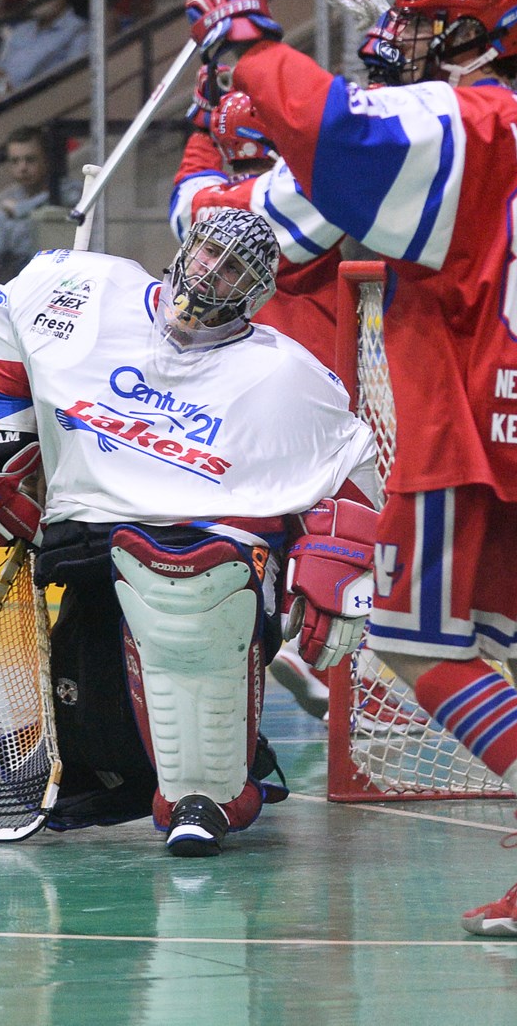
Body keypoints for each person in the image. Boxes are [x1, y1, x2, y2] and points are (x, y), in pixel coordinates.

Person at [183, 0, 517, 936]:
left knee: (409, 641)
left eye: (428, 21)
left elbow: (323, 152)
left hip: (464, 422)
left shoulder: (456, 121)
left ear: (475, 37)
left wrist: (247, 41)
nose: (406, 33)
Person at [0, 207, 380, 856]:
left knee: (203, 583)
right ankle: (100, 758)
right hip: (93, 541)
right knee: (107, 668)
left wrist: (337, 563)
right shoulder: (86, 291)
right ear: (184, 247)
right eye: (209, 254)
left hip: (220, 564)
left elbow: (355, 460)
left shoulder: (288, 375)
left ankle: (204, 795)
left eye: (236, 271)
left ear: (258, 295)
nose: (213, 274)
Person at [171, 77, 348, 720]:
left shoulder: (211, 212)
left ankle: (264, 634)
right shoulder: (305, 191)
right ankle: (316, 649)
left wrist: (199, 124)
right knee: (331, 528)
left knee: (245, 522)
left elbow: (188, 196)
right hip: (310, 383)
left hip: (228, 385)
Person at [0, 125, 79, 296]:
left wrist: (20, 210)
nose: (22, 168)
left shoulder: (70, 193)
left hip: (70, 289)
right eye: (15, 161)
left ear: (47, 160)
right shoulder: (7, 209)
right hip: (26, 293)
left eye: (30, 160)